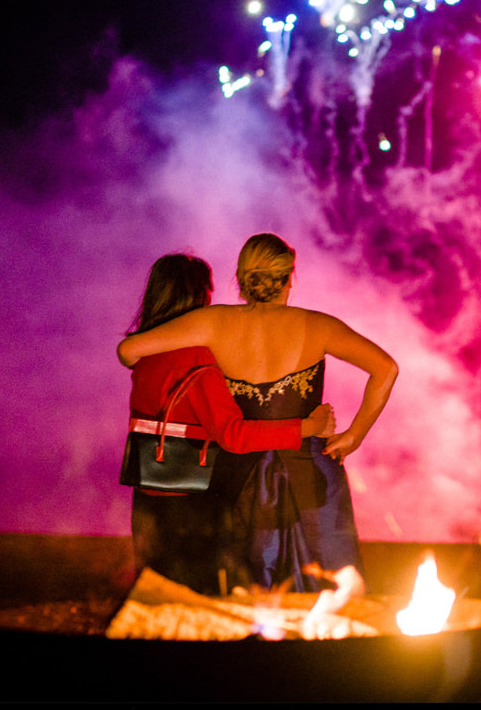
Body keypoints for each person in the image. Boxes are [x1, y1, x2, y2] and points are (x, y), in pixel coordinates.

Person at [118, 233, 398, 595]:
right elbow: (386, 368)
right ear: (289, 277)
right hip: (310, 469)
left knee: (247, 589)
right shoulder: (318, 325)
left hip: (239, 472)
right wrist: (353, 435)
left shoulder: (213, 322)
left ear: (240, 278)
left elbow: (129, 350)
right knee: (332, 585)